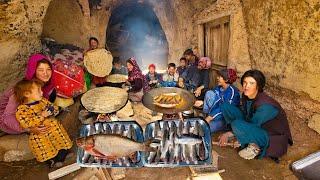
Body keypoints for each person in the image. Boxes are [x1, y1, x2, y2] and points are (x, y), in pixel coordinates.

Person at [218, 70, 293, 161]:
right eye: (245, 82)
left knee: (236, 124)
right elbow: (247, 115)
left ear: (258, 86)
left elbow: (253, 124)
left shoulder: (265, 106)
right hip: (253, 124)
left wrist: (229, 134)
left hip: (271, 136)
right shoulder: (246, 96)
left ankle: (254, 146)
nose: (246, 86)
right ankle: (241, 136)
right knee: (226, 107)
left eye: (251, 83)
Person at [14, 79, 72, 168]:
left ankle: (63, 155)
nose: (41, 92)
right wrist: (42, 115)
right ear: (27, 94)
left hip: (53, 128)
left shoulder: (42, 101)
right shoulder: (21, 110)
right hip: (41, 133)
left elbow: (52, 106)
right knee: (47, 147)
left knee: (59, 141)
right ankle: (53, 161)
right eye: (38, 90)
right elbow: (26, 123)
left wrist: (54, 110)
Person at [0, 54, 56, 134]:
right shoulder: (22, 89)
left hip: (30, 115)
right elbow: (7, 118)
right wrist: (29, 129)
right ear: (33, 70)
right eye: (40, 70)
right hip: (6, 121)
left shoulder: (45, 85)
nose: (46, 73)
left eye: (48, 69)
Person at [203, 69, 240, 133]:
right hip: (215, 113)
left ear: (226, 80)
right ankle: (205, 116)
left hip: (225, 118)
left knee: (205, 129)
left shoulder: (232, 92)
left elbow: (225, 109)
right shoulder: (219, 88)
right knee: (209, 93)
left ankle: (225, 127)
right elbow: (216, 101)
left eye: (220, 77)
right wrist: (202, 103)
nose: (217, 78)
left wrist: (210, 117)